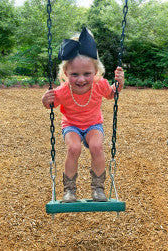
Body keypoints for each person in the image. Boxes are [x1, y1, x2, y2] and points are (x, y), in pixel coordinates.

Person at [42, 28, 124, 203]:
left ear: (96, 72)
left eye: (87, 74)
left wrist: (119, 84)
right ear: (65, 73)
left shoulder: (99, 84)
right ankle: (69, 190)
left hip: (94, 124)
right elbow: (50, 104)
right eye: (74, 74)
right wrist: (45, 99)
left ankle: (98, 189)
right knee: (74, 149)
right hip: (71, 125)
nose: (81, 79)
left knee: (96, 147)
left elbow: (111, 94)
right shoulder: (64, 90)